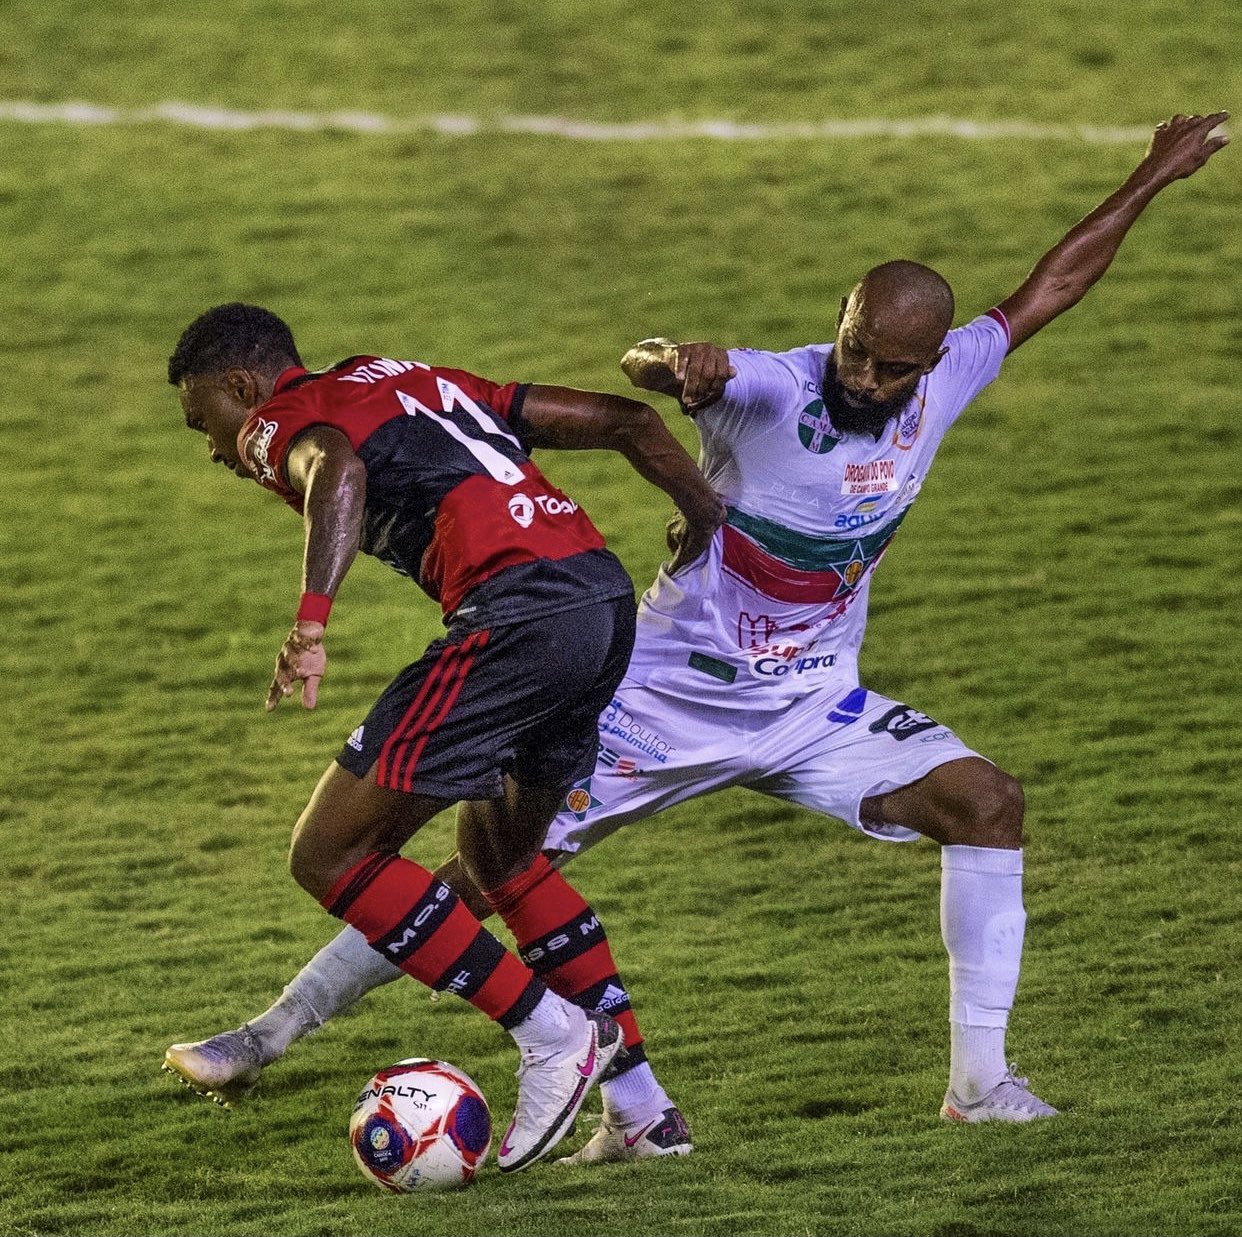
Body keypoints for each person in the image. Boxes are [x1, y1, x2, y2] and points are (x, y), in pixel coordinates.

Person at [162, 113, 1228, 1154]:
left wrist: (1150, 178)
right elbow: (642, 372)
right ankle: (275, 1030)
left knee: (988, 802)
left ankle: (980, 1086)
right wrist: (678, 361)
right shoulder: (772, 384)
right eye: (856, 351)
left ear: (931, 360)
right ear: (842, 322)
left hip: (811, 702)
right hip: (656, 694)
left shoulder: (947, 378)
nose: (866, 380)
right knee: (484, 868)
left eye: (891, 369)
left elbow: (1050, 286)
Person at [162, 303, 725, 1173]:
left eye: (205, 420)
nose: (214, 448)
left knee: (329, 853)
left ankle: (552, 1031)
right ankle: (644, 1112)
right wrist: (704, 516)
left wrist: (310, 624)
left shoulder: (277, 422)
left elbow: (336, 468)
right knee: (501, 857)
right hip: (601, 604)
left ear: (243, 385)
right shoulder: (418, 381)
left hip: (517, 618)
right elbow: (627, 422)